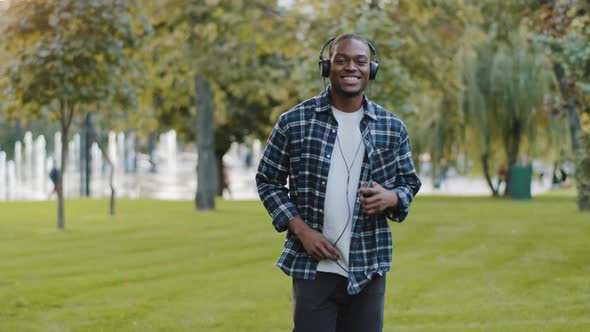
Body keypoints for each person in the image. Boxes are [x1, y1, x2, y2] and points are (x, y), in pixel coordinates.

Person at [256, 34, 421, 332]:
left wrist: (393, 198)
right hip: (312, 267)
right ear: (326, 67)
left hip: (369, 266)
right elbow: (268, 181)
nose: (351, 67)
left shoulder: (392, 127)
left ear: (371, 69)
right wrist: (302, 231)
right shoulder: (294, 122)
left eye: (360, 61)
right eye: (341, 60)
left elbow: (409, 183)